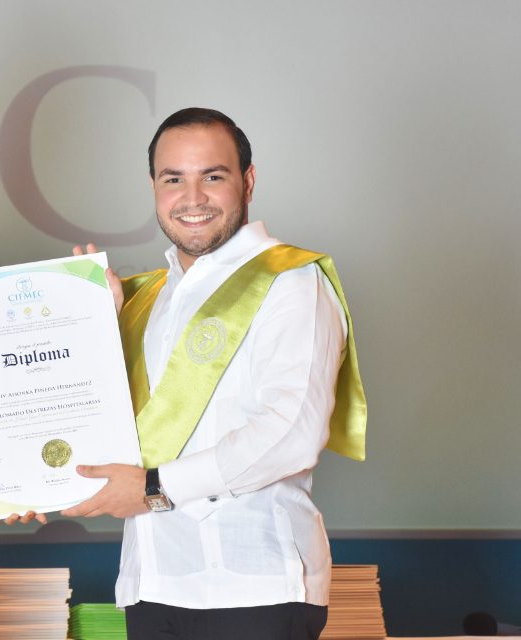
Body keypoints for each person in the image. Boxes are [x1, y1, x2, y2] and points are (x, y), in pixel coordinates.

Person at [61, 108, 367, 639]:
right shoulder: (146, 299)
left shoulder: (290, 282)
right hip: (151, 582)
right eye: (173, 179)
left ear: (248, 181)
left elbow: (292, 433)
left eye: (213, 176)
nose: (193, 197)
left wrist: (155, 488)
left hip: (253, 587)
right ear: (154, 187)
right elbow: (108, 428)